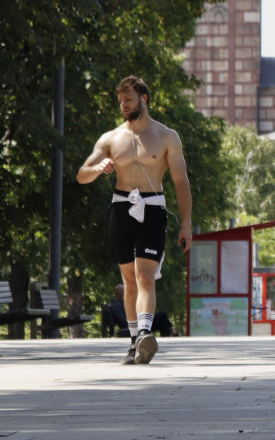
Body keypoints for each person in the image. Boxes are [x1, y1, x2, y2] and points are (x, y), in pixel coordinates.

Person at [78, 76, 193, 365]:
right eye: (120, 101)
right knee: (128, 280)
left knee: (145, 276)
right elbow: (82, 174)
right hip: (121, 207)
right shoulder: (111, 138)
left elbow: (181, 182)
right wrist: (97, 168)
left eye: (128, 99)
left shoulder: (167, 137)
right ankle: (134, 343)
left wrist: (187, 224)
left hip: (152, 208)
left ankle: (144, 332)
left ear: (144, 98)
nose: (123, 105)